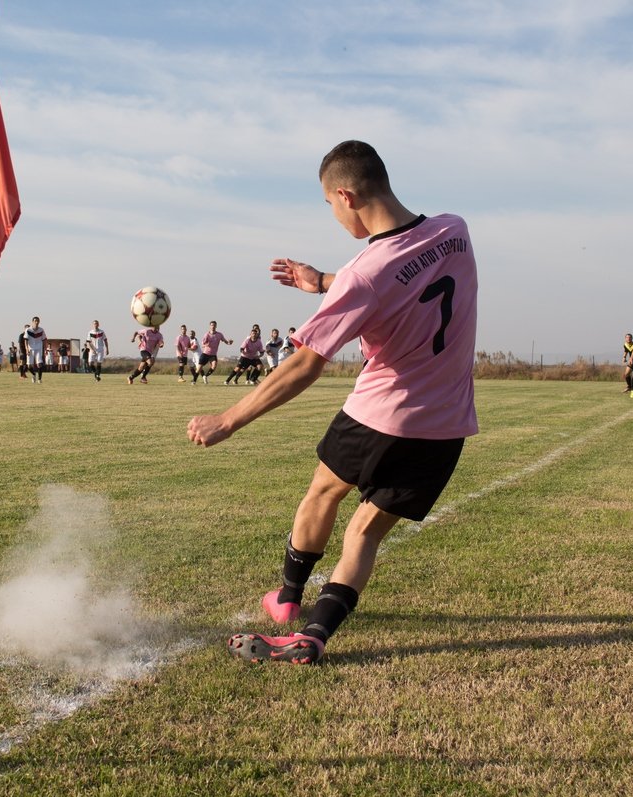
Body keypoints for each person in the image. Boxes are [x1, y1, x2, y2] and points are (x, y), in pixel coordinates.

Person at [188, 140, 478, 665]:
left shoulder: (365, 272)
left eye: (328, 205)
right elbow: (408, 279)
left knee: (323, 493)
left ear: (345, 194)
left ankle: (287, 599)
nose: (333, 215)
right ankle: (315, 635)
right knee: (365, 532)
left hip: (378, 415)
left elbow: (305, 362)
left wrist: (228, 419)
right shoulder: (455, 231)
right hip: (445, 426)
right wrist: (321, 281)